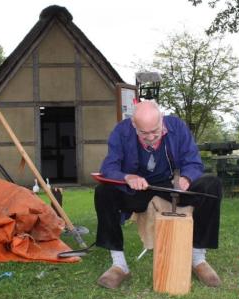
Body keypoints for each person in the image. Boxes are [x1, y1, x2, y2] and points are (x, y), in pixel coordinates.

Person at [94, 101, 223, 289]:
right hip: (137, 188)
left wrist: (186, 178)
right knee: (103, 192)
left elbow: (194, 162)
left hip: (172, 186)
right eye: (144, 133)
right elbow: (109, 167)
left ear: (162, 119)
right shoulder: (121, 131)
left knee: (212, 185)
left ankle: (198, 259)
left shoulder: (177, 126)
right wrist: (127, 177)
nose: (151, 137)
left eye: (155, 131)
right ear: (133, 125)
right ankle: (119, 265)